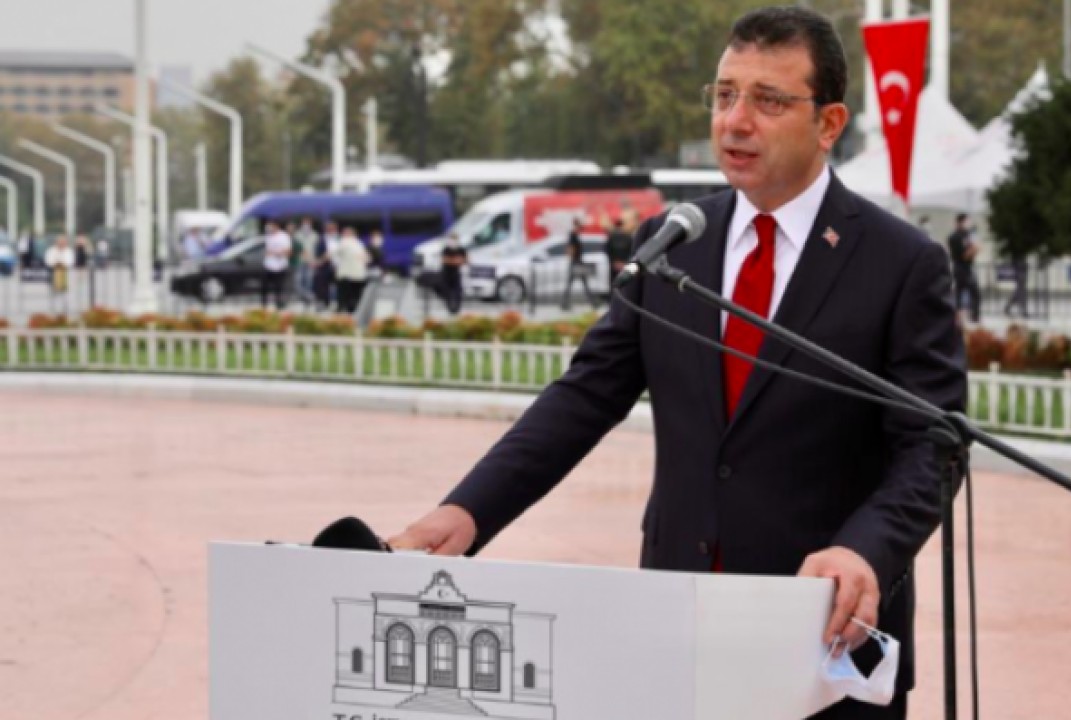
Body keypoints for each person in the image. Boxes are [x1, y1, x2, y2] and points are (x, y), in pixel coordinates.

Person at [387, 7, 965, 719]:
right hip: (678, 626)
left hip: (822, 637)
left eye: (768, 100)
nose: (735, 121)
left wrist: (865, 551)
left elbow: (932, 448)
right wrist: (467, 511)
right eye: (725, 95)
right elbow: (586, 395)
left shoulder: (901, 263)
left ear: (829, 123)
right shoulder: (672, 242)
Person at [946, 214, 980, 323]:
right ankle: (959, 317)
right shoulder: (954, 237)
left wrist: (974, 248)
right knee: (963, 293)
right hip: (960, 267)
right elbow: (963, 255)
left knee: (971, 293)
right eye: (966, 222)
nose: (968, 224)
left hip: (968, 267)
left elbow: (974, 250)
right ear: (960, 222)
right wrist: (974, 249)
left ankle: (973, 316)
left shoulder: (967, 235)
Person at [560, 218, 598, 310]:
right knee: (577, 283)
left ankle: (592, 302)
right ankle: (592, 302)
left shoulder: (575, 235)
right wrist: (573, 257)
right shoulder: (573, 235)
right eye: (579, 227)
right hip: (575, 262)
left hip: (577, 262)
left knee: (581, 283)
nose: (580, 229)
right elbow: (570, 248)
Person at [332, 227, 371, 314]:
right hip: (359, 275)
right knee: (356, 296)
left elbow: (334, 253)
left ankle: (341, 310)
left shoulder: (344, 242)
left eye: (344, 233)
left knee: (343, 296)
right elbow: (367, 259)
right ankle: (354, 311)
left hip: (346, 275)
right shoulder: (359, 243)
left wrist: (318, 261)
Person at [261, 220, 292, 310]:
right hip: (268, 265)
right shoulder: (268, 236)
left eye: (271, 226)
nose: (269, 228)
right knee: (264, 286)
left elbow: (289, 252)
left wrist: (276, 253)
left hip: (280, 266)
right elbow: (267, 250)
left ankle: (279, 305)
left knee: (278, 287)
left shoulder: (284, 236)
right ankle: (264, 304)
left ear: (276, 226)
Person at [313, 220, 340, 310]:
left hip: (337, 266)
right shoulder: (322, 239)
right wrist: (320, 260)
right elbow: (318, 252)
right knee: (322, 285)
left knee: (338, 286)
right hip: (325, 266)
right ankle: (325, 303)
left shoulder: (339, 238)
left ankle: (338, 303)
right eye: (329, 228)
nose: (330, 230)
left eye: (332, 228)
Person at [44, 235, 75, 312]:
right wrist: (56, 262)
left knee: (65, 293)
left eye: (63, 242)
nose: (61, 244)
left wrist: (62, 262)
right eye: (60, 242)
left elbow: (70, 262)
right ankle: (53, 308)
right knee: (53, 292)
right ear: (56, 242)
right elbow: (48, 261)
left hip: (65, 274)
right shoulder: (51, 250)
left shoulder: (69, 251)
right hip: (53, 273)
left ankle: (65, 308)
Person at [439, 233, 467, 315]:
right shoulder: (446, 249)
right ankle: (450, 308)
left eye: (455, 239)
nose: (453, 242)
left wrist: (454, 261)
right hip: (447, 273)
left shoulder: (461, 249)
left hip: (456, 273)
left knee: (458, 291)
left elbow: (466, 260)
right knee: (447, 291)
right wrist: (456, 260)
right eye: (452, 239)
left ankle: (457, 309)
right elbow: (444, 260)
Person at [294, 217, 319, 305]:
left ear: (311, 225)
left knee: (309, 279)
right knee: (299, 280)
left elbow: (317, 249)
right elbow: (295, 248)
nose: (306, 225)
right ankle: (303, 296)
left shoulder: (315, 235)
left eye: (308, 224)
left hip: (311, 261)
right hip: (300, 260)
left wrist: (315, 261)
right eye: (304, 224)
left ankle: (308, 297)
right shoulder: (297, 235)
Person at [606, 218, 634, 287]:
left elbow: (607, 250)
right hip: (625, 263)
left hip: (614, 264)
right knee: (625, 282)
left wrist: (614, 262)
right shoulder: (628, 237)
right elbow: (632, 251)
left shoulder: (611, 237)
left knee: (614, 282)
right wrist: (625, 262)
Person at [1004, 252, 1030, 319]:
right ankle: (1024, 310)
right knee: (1021, 293)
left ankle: (1008, 307)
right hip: (1019, 271)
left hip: (1021, 270)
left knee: (1019, 292)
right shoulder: (1016, 254)